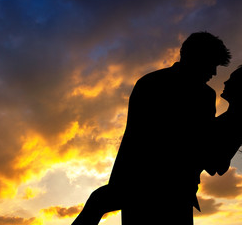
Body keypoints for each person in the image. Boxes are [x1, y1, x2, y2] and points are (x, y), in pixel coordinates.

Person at [72, 31, 232, 225]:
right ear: (194, 57)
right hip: (153, 192)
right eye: (211, 64)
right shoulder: (191, 93)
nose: (214, 73)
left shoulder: (153, 84)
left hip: (162, 191)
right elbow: (136, 139)